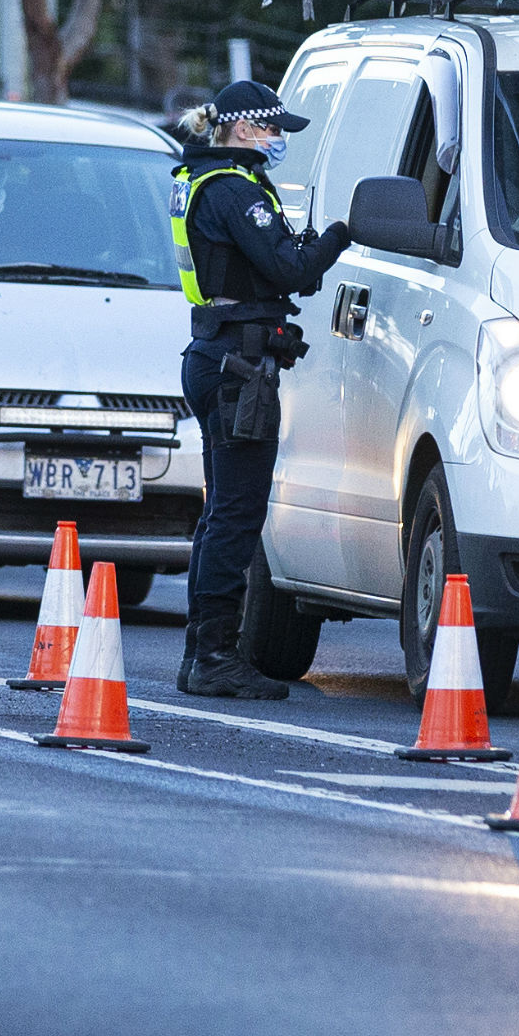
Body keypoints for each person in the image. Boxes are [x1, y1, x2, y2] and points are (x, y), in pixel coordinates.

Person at [170, 80, 351, 699]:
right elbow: (291, 270)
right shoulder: (234, 190)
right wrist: (340, 234)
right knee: (237, 515)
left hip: (216, 356)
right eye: (273, 129)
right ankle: (215, 657)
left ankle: (201, 654)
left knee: (220, 513)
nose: (278, 140)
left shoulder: (204, 178)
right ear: (245, 129)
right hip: (238, 368)